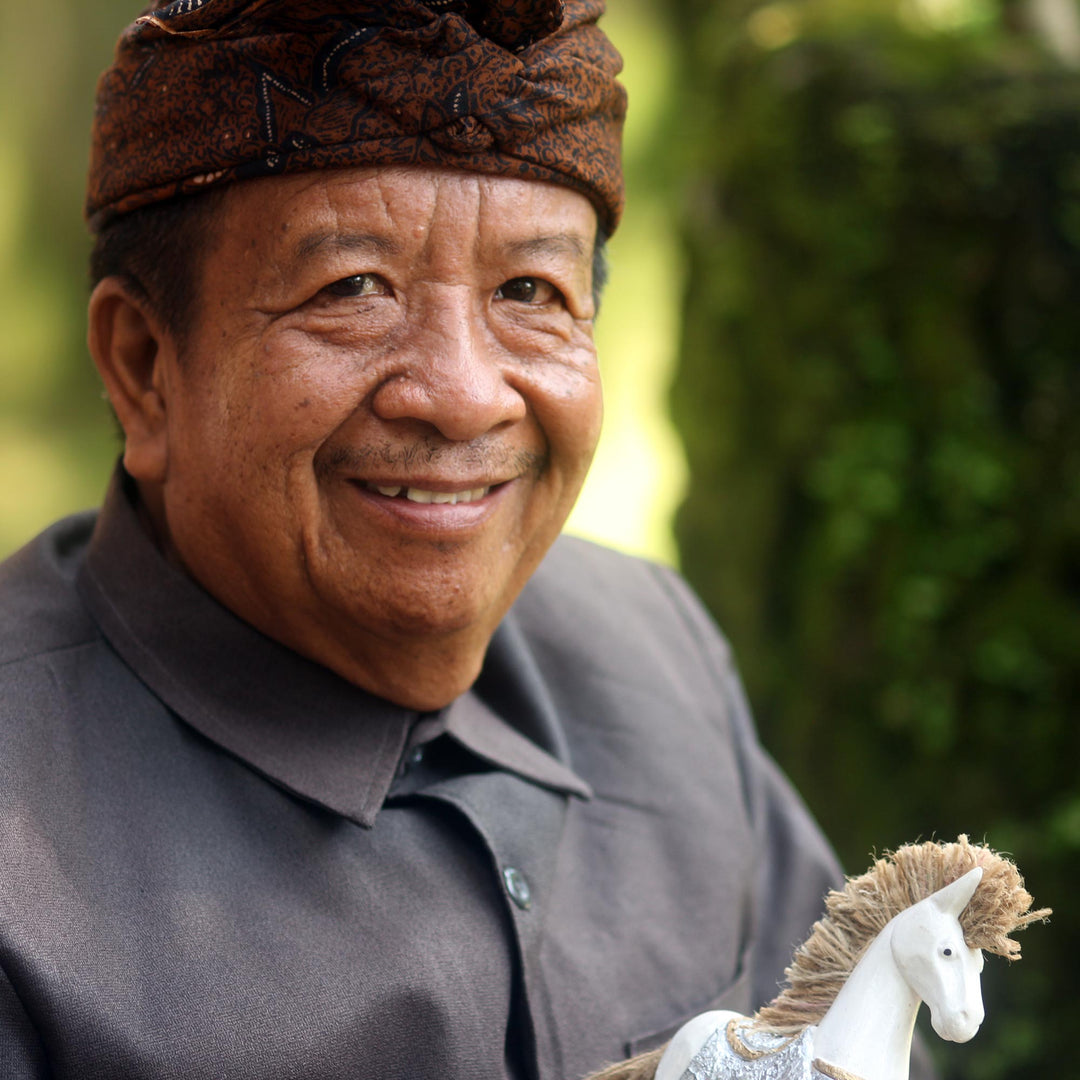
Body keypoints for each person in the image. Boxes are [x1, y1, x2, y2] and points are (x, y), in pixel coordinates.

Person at [0, 2, 874, 1078]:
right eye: (352, 289)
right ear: (144, 367)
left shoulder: (657, 654)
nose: (462, 396)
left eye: (530, 292)